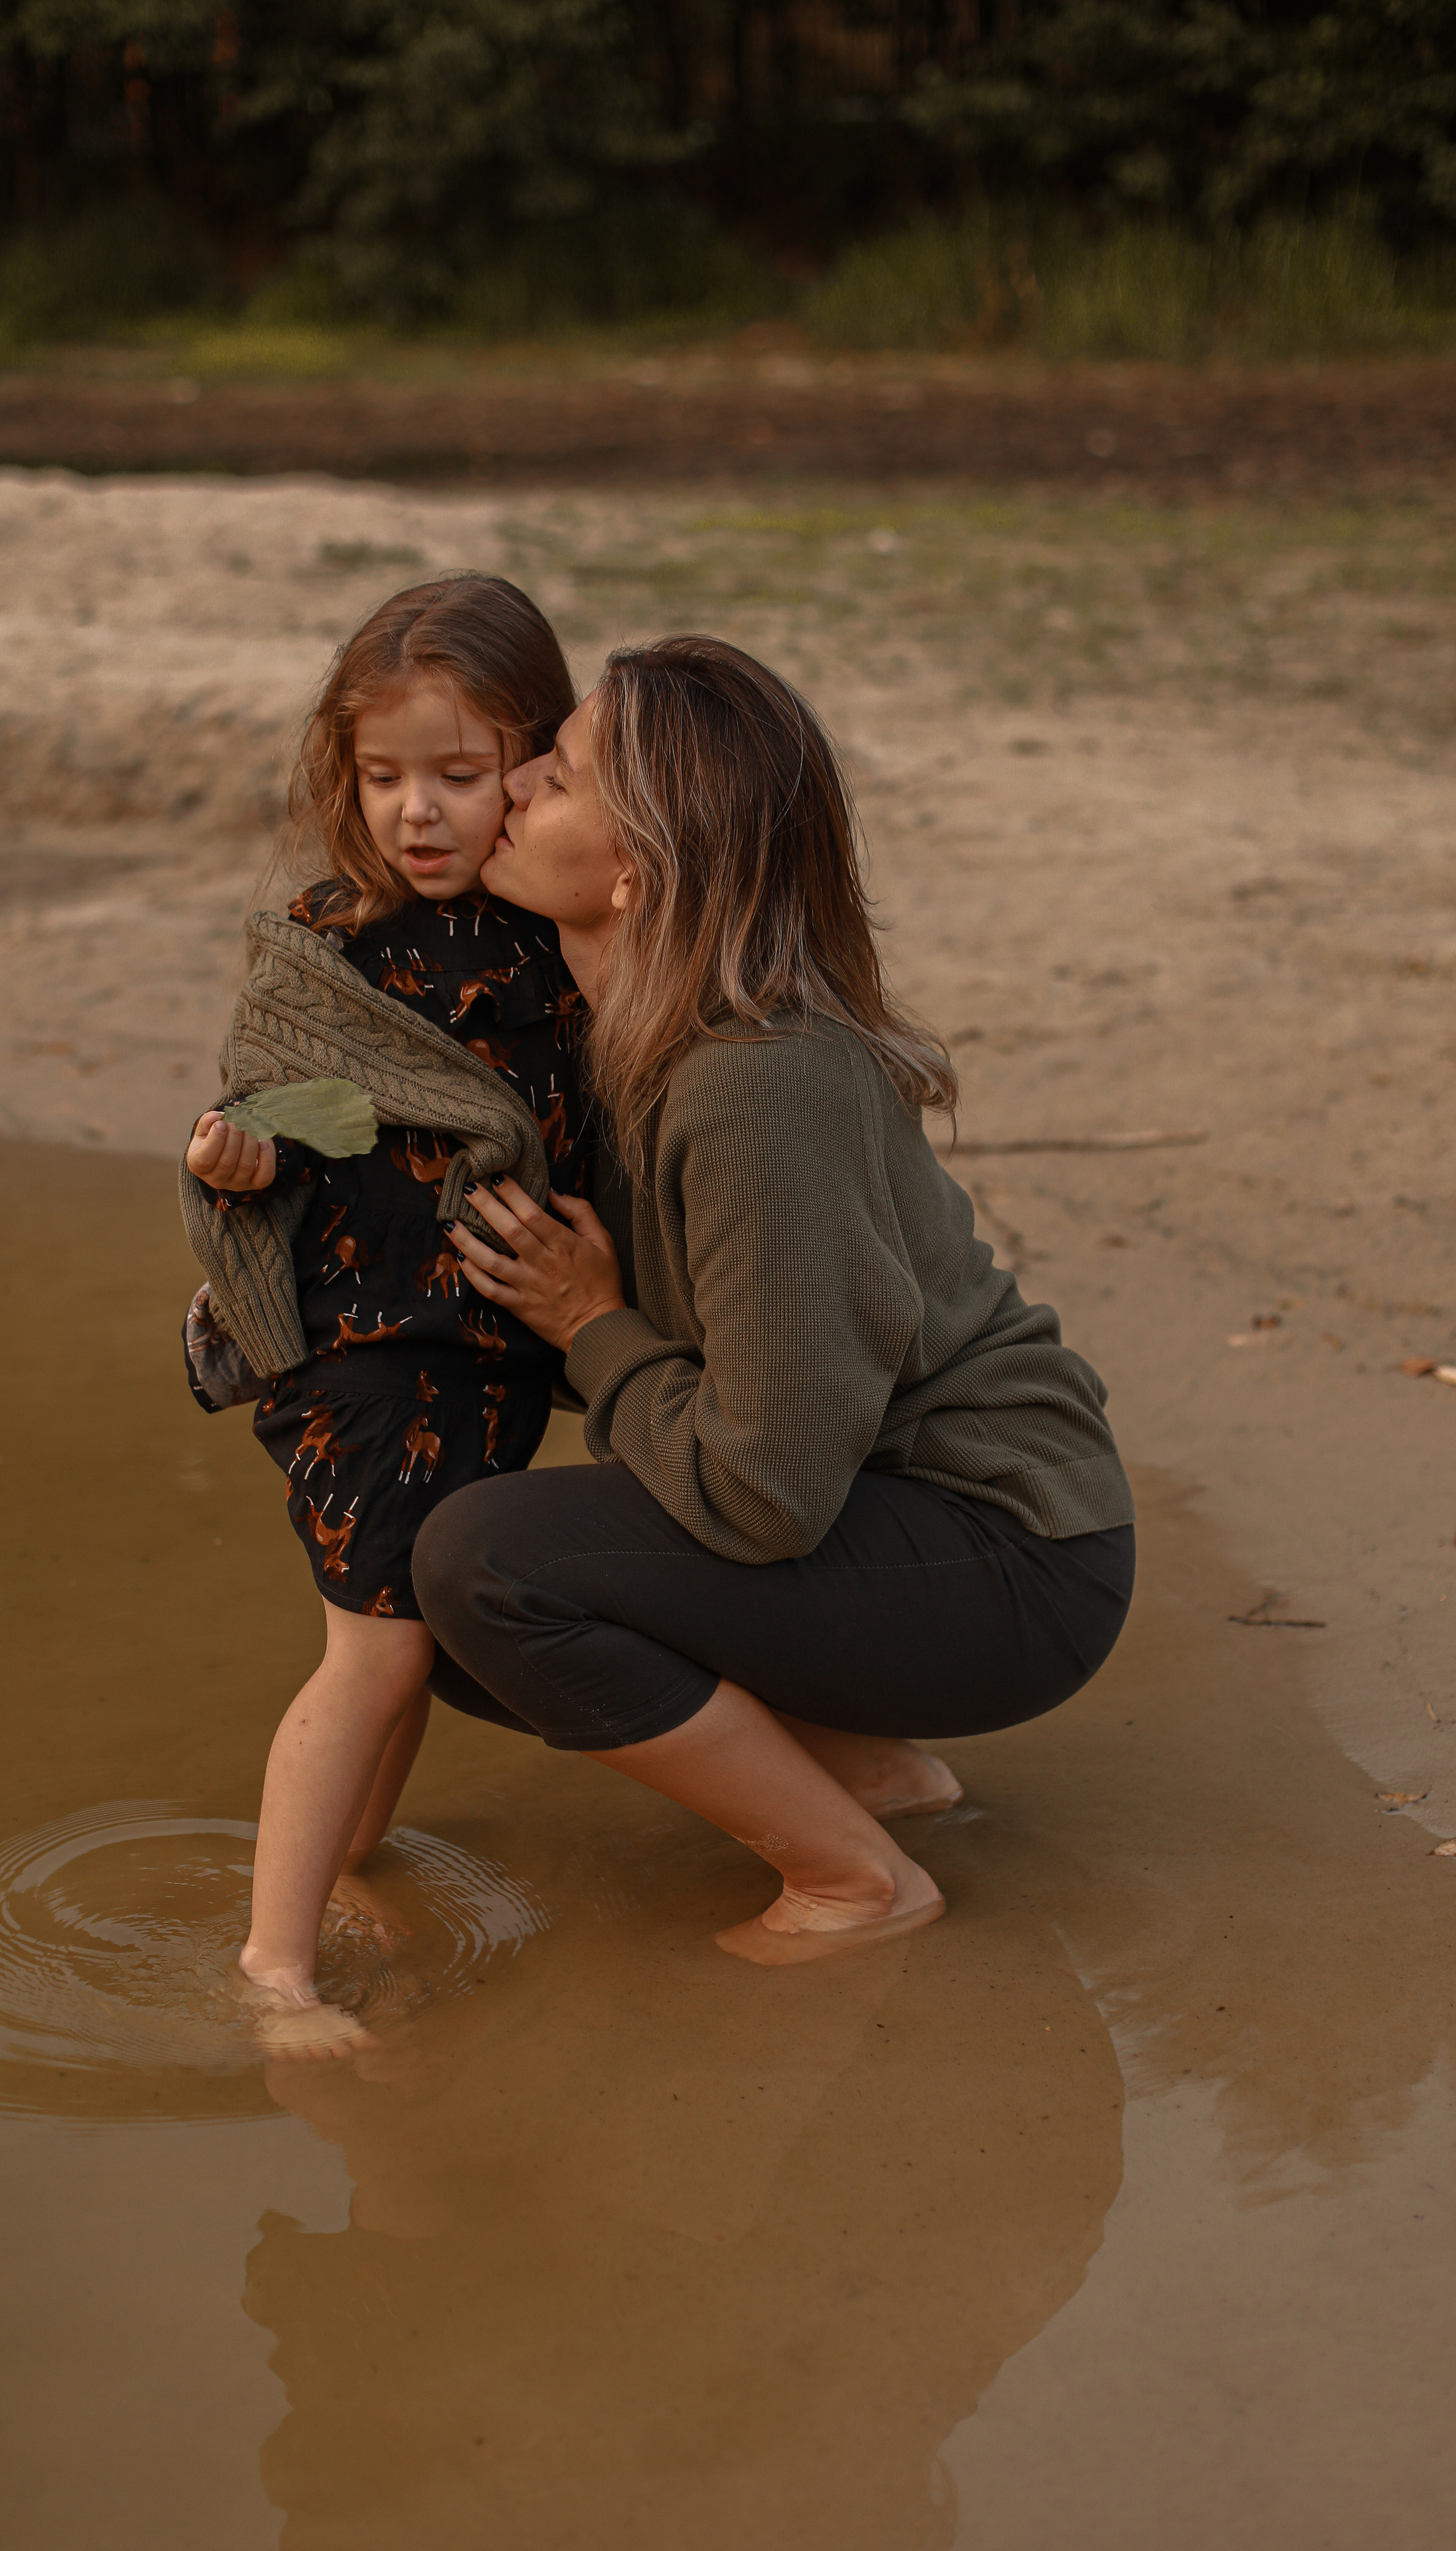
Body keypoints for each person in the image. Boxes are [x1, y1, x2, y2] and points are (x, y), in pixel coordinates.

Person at [411, 635, 1137, 1967]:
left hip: (1014, 1552)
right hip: (883, 1507)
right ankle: (869, 1778)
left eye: (554, 778)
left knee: (487, 1567)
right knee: (432, 1590)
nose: (508, 785)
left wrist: (593, 1328)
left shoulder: (758, 1083)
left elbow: (765, 1492)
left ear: (636, 873)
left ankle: (858, 1882)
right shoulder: (626, 1041)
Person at [179, 575, 585, 2036]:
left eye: (460, 775)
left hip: (487, 1356)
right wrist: (237, 1156)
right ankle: (275, 1967)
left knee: (407, 1626)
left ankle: (347, 1858)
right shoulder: (330, 943)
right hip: (358, 1355)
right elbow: (279, 1113)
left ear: (535, 764)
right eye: (382, 776)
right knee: (378, 1644)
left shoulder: (553, 932)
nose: (418, 811)